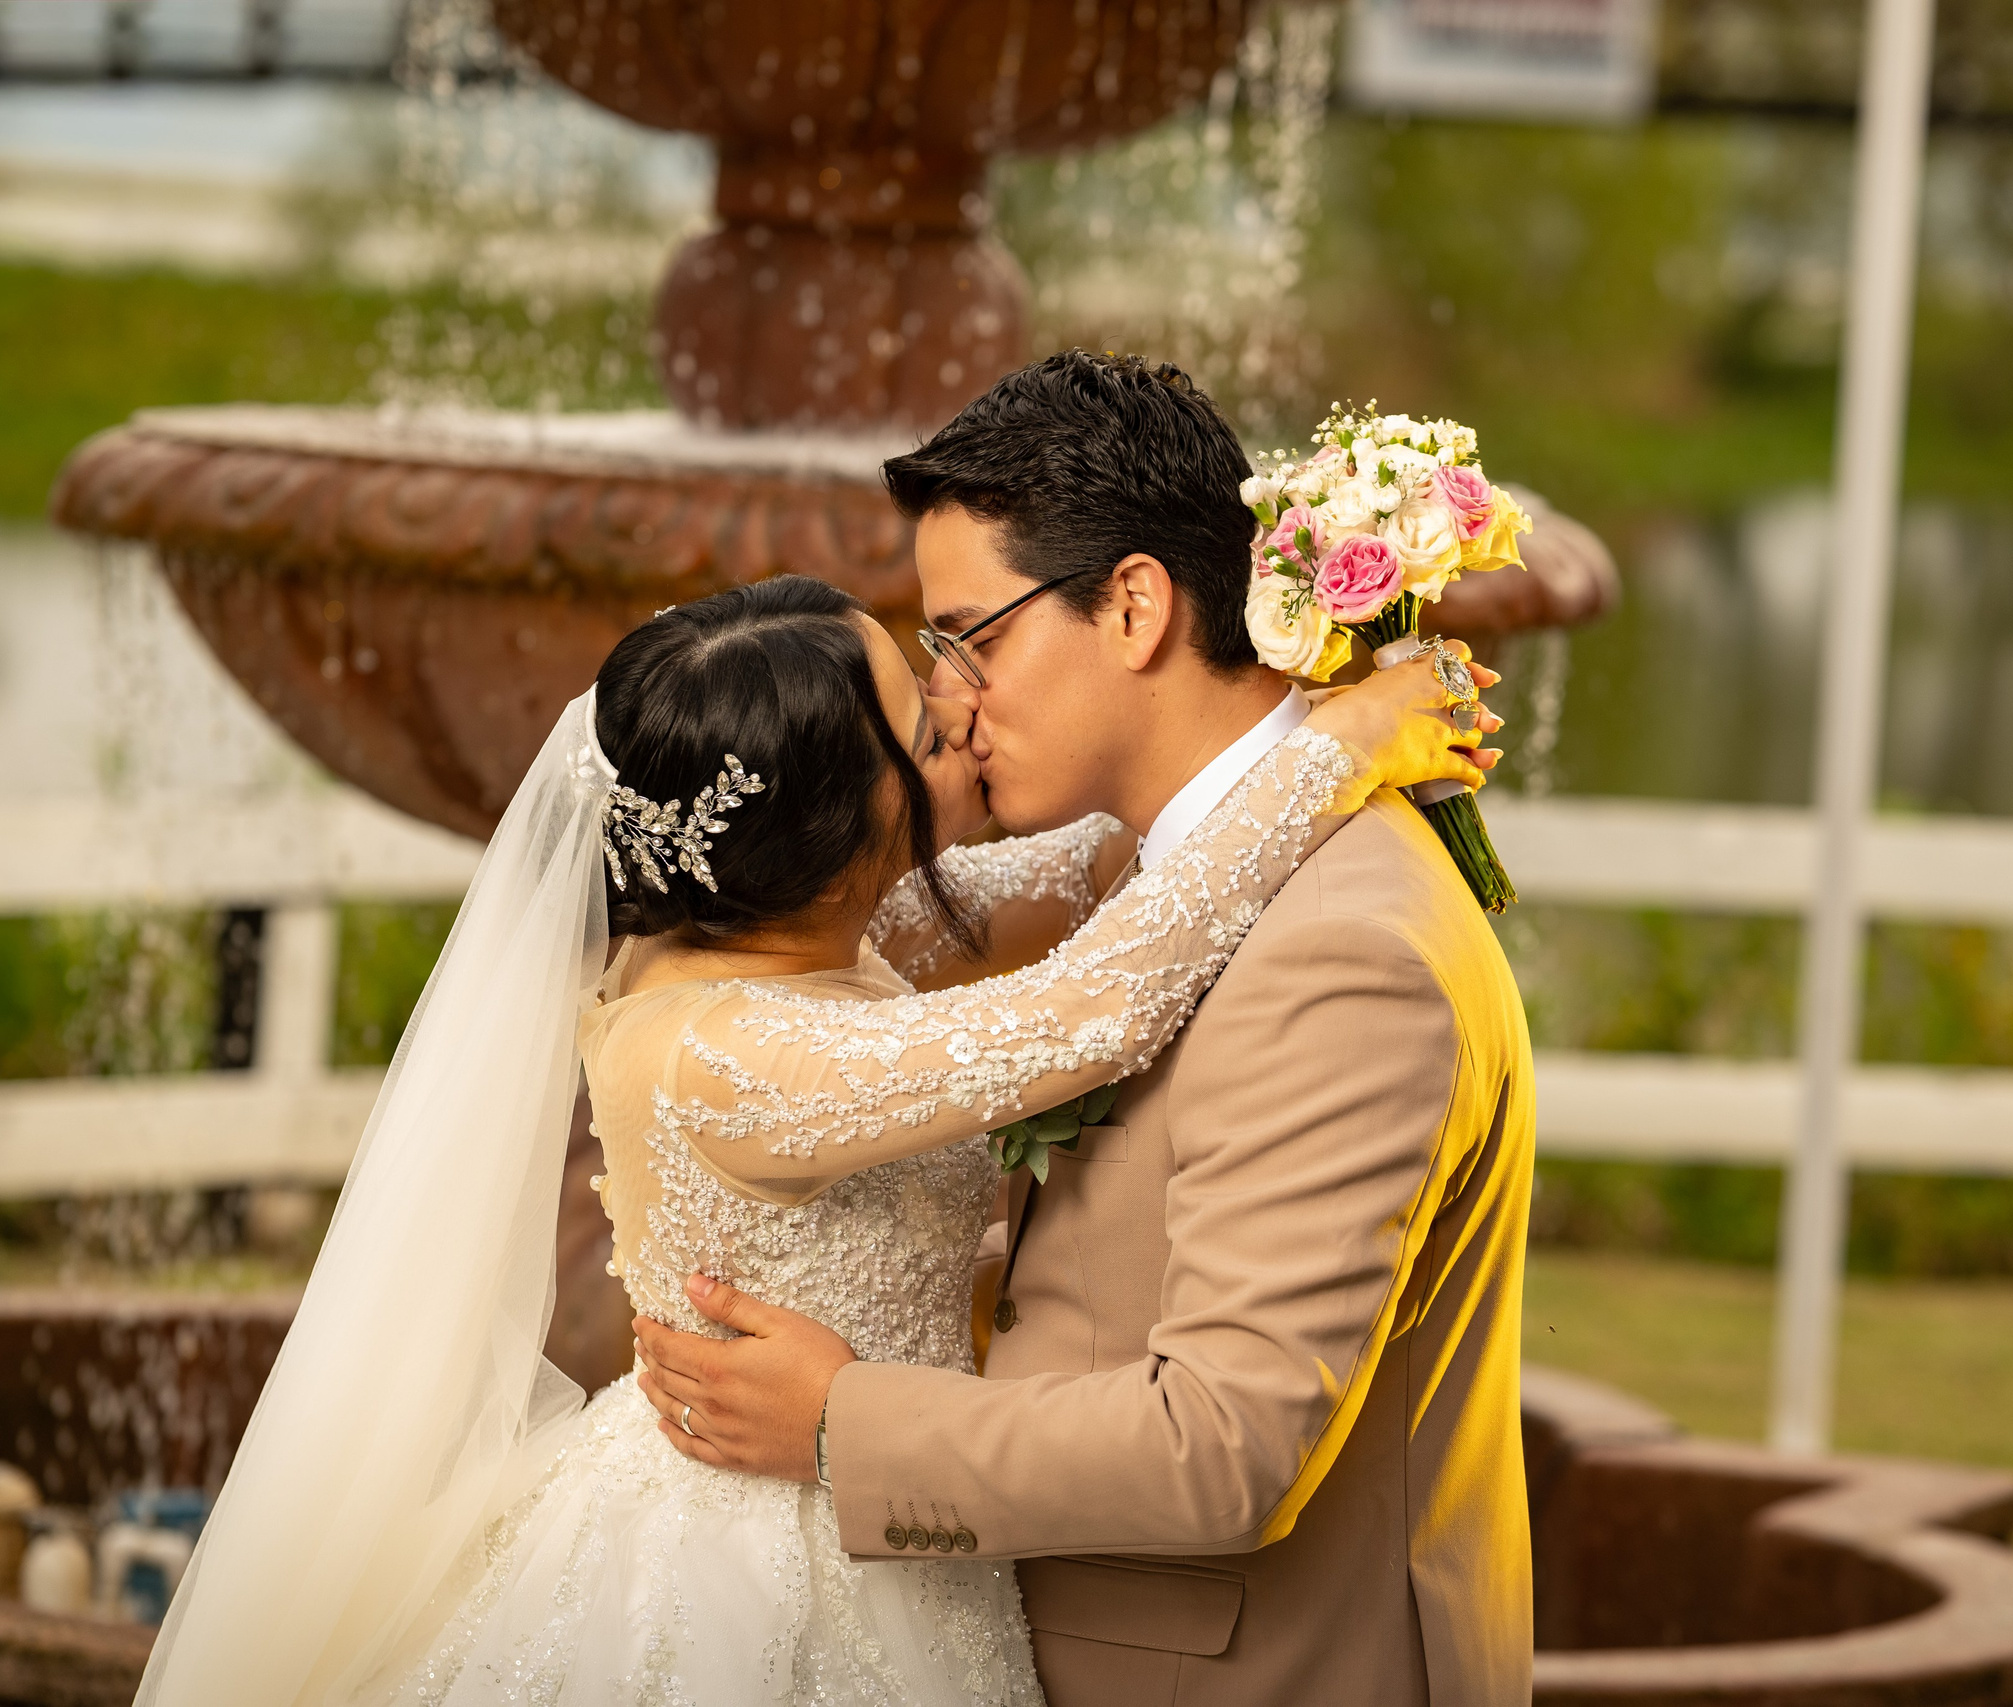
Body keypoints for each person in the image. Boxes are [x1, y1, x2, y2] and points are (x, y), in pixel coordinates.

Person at [130, 562, 1492, 1705]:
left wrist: (1275, 703)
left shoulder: (817, 925)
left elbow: (1117, 864)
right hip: (765, 1559)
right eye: (917, 715)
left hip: (891, 1522)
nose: (958, 703)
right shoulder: (721, 1052)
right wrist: (1337, 749)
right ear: (841, 824)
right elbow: (1105, 998)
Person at [633, 352, 1541, 1705]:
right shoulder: (1147, 869)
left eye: (972, 639)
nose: (949, 700)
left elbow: (1225, 1445)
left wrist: (842, 1423)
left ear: (1131, 607)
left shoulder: (1340, 949)